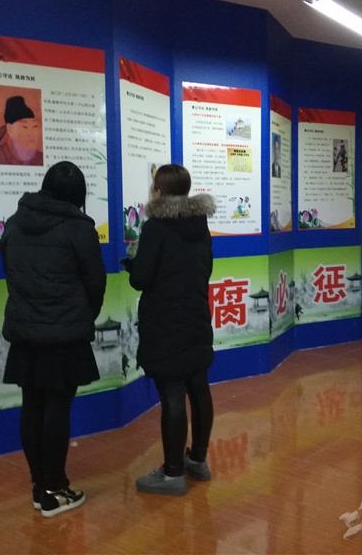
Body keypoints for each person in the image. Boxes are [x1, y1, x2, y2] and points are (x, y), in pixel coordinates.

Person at [0, 161, 106, 517]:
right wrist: (83, 315)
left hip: (26, 333)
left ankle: (38, 485)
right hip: (64, 335)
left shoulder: (14, 223)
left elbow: (10, 273)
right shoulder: (80, 228)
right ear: (78, 195)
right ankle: (54, 488)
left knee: (32, 405)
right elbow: (95, 282)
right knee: (58, 408)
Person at [124, 163, 216, 496]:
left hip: (164, 322)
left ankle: (172, 473)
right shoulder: (200, 224)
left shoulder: (156, 227)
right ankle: (198, 460)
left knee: (173, 396)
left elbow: (141, 278)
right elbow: (206, 269)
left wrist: (133, 264)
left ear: (159, 191)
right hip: (195, 316)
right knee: (199, 389)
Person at [0, 95, 43, 166]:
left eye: (35, 126)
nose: (31, 134)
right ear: (10, 129)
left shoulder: (41, 158)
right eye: (25, 127)